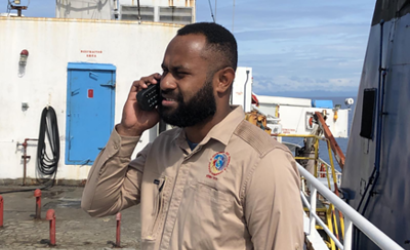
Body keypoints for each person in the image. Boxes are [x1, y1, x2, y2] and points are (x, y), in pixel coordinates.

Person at [81, 22, 304, 250]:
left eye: (180, 73)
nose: (165, 83)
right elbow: (97, 204)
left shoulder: (264, 162)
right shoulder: (163, 148)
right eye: (165, 71)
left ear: (222, 81)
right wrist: (129, 131)